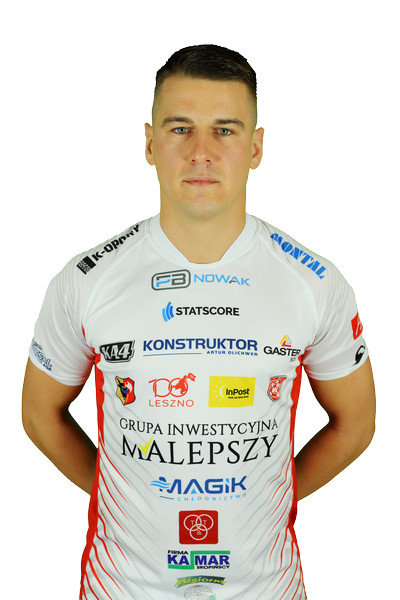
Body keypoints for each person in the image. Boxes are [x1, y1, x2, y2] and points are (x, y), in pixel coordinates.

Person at [22, 44, 376, 600]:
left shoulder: (314, 282)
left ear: (256, 147)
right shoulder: (86, 280)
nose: (201, 153)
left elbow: (356, 423)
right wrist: (122, 495)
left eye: (225, 131)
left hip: (267, 590)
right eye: (180, 129)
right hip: (122, 589)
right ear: (149, 143)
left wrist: (274, 498)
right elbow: (39, 413)